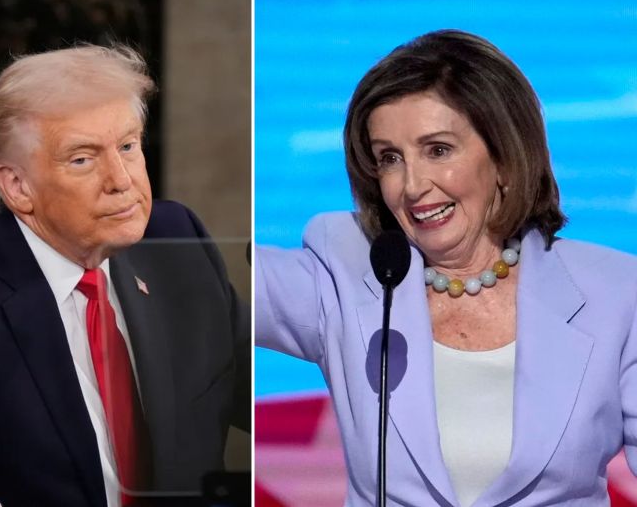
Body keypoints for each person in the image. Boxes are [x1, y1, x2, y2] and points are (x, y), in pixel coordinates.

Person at [256, 30, 637, 506]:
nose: (413, 186)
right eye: (390, 158)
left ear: (503, 157)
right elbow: (209, 284)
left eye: (437, 149)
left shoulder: (617, 293)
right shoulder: (347, 270)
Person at [0, 44, 250, 507]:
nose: (121, 179)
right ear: (17, 186)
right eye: (82, 159)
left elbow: (259, 398)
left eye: (128, 146)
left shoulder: (176, 245)